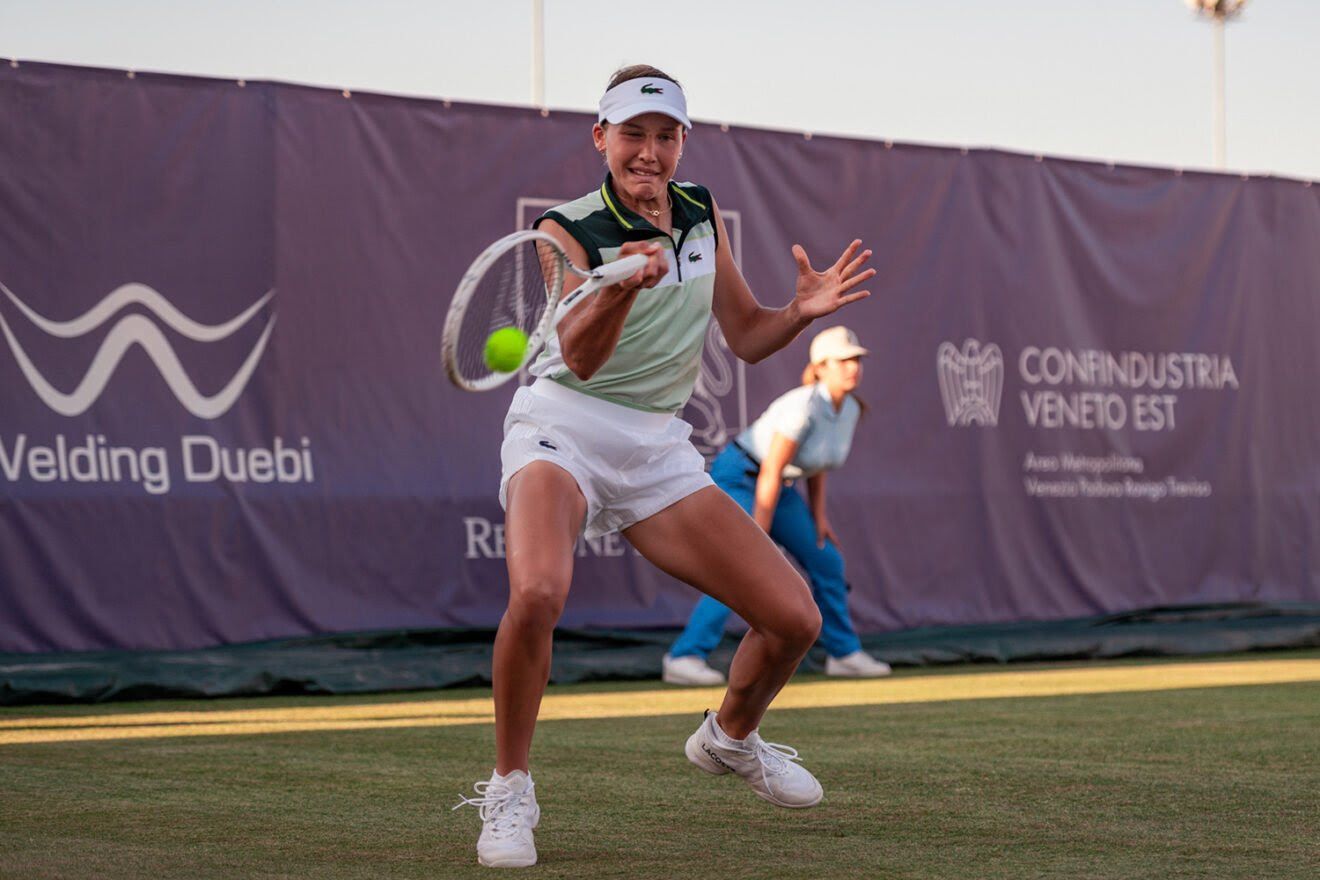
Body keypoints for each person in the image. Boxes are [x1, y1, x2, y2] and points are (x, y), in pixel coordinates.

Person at [454, 64, 875, 869]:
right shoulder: (566, 229)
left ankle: (728, 739)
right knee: (538, 591)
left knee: (795, 620)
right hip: (562, 427)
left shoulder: (700, 212)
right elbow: (577, 356)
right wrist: (623, 284)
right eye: (633, 135)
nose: (648, 152)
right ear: (601, 139)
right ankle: (509, 788)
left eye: (664, 136)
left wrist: (799, 312)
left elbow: (747, 333)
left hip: (654, 444)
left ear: (683, 142)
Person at [663, 325, 893, 686]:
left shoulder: (849, 408)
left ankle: (844, 654)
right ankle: (685, 656)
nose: (853, 367)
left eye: (857, 360)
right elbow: (770, 469)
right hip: (741, 475)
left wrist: (819, 518)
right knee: (740, 566)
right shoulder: (802, 405)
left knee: (826, 558)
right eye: (844, 361)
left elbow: (817, 465)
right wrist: (760, 533)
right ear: (820, 367)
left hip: (777, 486)